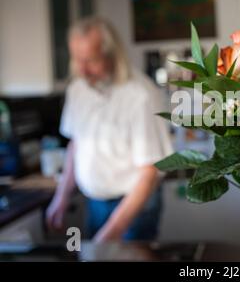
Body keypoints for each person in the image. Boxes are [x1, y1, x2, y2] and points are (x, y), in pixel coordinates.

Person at [46, 17, 173, 242]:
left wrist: (112, 231)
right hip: (94, 202)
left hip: (135, 204)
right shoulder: (77, 89)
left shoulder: (141, 95)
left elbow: (149, 171)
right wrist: (61, 197)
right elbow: (77, 144)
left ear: (111, 54)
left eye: (90, 60)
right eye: (76, 59)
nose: (82, 69)